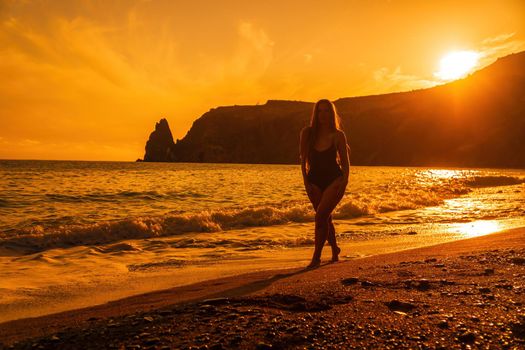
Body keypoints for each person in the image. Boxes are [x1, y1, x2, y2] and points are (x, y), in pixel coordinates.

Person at [300, 99, 350, 268]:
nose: (323, 115)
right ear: (316, 114)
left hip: (334, 180)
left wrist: (344, 182)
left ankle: (316, 258)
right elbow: (303, 160)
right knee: (325, 218)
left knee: (320, 216)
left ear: (332, 114)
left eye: (326, 111)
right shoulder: (307, 133)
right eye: (320, 111)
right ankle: (335, 249)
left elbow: (345, 163)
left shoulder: (338, 135)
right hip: (314, 181)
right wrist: (306, 182)